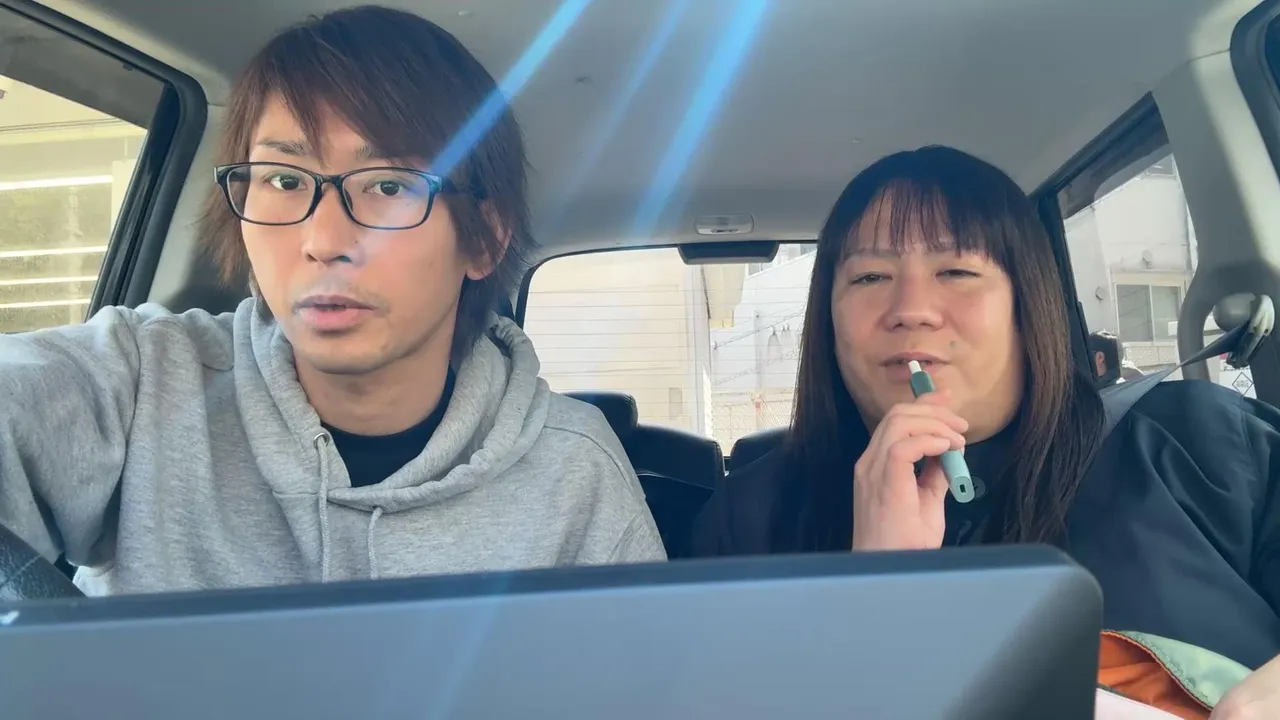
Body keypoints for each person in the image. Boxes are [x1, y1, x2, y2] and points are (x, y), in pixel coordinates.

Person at [0, 5, 665, 596]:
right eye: (285, 179)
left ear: (484, 240)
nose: (323, 241)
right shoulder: (139, 383)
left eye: (389, 186)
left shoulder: (574, 472)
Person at [691, 146, 1280, 678]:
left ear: (1027, 305)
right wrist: (875, 596)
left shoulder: (1201, 443)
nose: (911, 309)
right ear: (829, 320)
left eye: (957, 271)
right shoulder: (751, 522)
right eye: (870, 276)